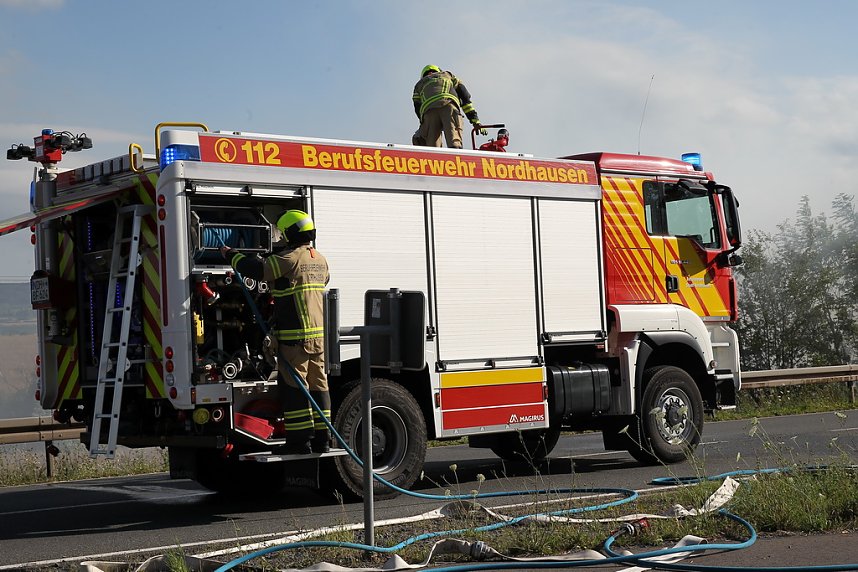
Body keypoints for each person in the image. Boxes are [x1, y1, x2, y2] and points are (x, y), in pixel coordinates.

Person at [220, 210, 331, 455]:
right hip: (318, 339)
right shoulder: (319, 259)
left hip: (295, 340)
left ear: (291, 233)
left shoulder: (289, 259)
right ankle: (324, 440)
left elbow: (258, 271)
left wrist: (231, 255)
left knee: (295, 389)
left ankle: (299, 442)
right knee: (318, 386)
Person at [412, 64, 486, 148]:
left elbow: (417, 107)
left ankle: (436, 158)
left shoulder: (419, 85)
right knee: (454, 142)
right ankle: (456, 156)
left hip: (429, 112)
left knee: (433, 148)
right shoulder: (447, 75)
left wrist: (424, 123)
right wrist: (475, 120)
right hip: (449, 107)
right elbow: (465, 97)